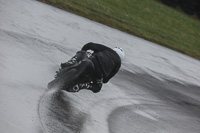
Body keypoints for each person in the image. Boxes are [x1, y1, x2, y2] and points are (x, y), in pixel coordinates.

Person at [60, 42, 125, 93]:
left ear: (113, 50)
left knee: (83, 53)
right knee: (97, 88)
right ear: (121, 58)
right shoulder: (118, 63)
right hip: (99, 73)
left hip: (92, 60)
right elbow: (106, 80)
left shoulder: (107, 50)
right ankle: (82, 85)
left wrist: (83, 51)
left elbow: (90, 45)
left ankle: (71, 62)